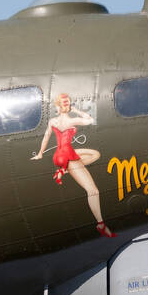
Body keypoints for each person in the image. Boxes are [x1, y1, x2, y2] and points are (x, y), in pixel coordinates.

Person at [31, 93, 115, 237]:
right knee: (93, 191)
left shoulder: (52, 121)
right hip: (68, 156)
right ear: (68, 106)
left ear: (57, 107)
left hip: (59, 155)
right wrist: (76, 110)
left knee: (95, 154)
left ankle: (64, 171)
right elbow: (90, 120)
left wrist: (40, 154)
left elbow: (46, 137)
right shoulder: (73, 120)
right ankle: (100, 224)